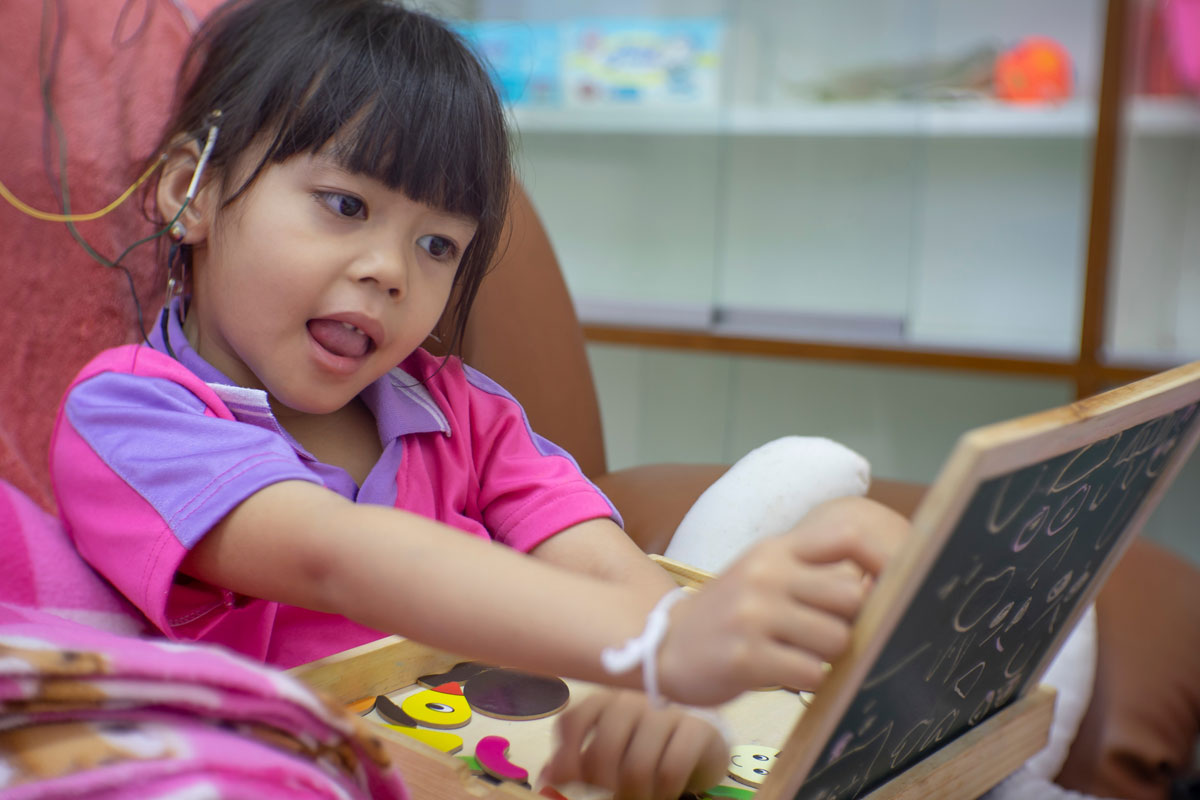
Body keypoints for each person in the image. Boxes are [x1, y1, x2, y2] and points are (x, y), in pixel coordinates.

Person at [46, 0, 907, 795]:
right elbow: (331, 555)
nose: (389, 271)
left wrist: (677, 689)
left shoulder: (463, 409)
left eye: (436, 245)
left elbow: (594, 553)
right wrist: (657, 646)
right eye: (344, 205)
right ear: (186, 191)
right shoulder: (129, 411)